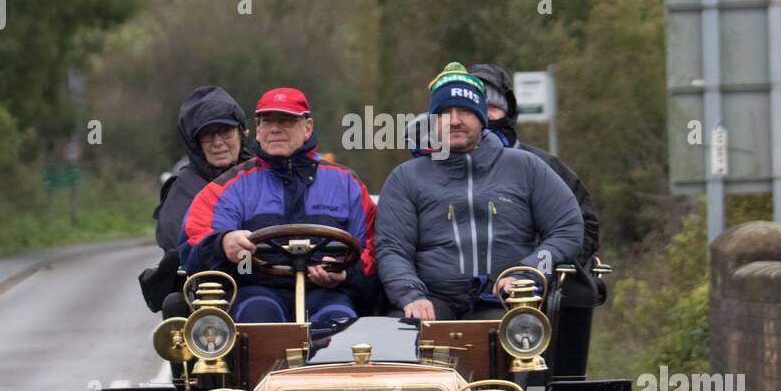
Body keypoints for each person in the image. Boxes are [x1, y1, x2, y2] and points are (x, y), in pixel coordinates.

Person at [375, 62, 585, 319]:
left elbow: (567, 228)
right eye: (444, 113)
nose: (454, 121)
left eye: (464, 111)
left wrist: (527, 272)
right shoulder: (405, 177)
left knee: (515, 334)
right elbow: (391, 248)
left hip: (507, 301)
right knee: (398, 336)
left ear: (481, 117)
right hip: (431, 302)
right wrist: (411, 295)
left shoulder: (525, 166)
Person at [179, 86, 376, 328]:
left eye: (285, 121)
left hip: (329, 293)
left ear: (307, 127)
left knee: (340, 323)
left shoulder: (346, 183)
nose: (275, 129)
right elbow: (193, 240)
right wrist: (223, 243)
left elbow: (373, 249)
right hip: (255, 291)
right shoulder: (229, 186)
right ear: (258, 129)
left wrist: (346, 275)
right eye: (267, 121)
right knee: (258, 321)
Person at [469, 63, 599, 264]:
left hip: (533, 287)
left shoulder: (547, 167)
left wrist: (543, 269)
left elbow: (584, 228)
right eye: (475, 108)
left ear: (509, 112)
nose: (485, 116)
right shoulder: (435, 170)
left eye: (493, 108)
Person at [139, 86, 252, 312]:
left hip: (267, 279)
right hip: (207, 290)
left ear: (241, 132)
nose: (217, 142)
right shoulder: (182, 187)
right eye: (208, 135)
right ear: (195, 143)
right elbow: (175, 243)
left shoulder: (264, 173)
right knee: (175, 308)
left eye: (225, 132)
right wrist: (222, 245)